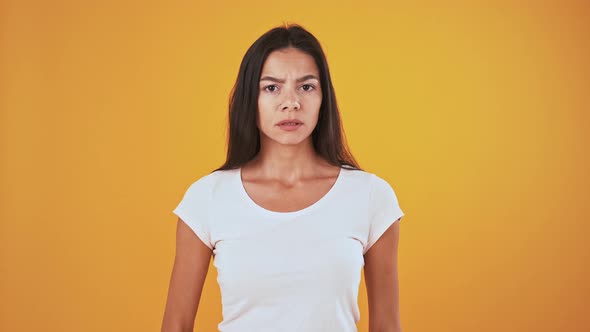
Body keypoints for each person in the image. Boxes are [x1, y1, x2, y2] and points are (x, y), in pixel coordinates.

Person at [161, 23, 405, 332]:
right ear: (251, 98)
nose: (291, 102)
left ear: (323, 98)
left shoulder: (371, 196)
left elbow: (386, 325)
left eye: (306, 86)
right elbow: (176, 325)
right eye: (271, 87)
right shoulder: (207, 198)